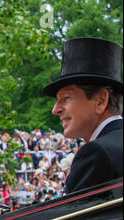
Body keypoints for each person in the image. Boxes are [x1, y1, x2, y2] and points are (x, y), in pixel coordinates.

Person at [43, 38, 123, 193]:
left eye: (66, 98)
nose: (55, 109)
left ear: (100, 101)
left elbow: (69, 217)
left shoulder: (97, 152)